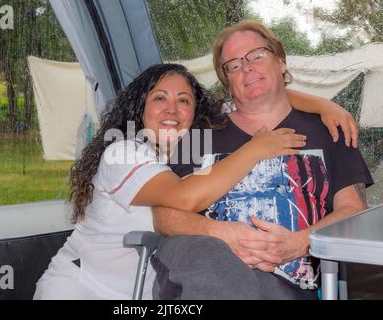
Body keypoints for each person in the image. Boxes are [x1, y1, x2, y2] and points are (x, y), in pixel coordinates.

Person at [33, 62, 358, 300]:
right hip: (82, 287)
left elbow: (260, 98)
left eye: (184, 100)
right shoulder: (124, 152)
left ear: (195, 112)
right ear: (140, 108)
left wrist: (324, 105)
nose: (172, 109)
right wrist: (256, 149)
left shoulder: (194, 150)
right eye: (159, 98)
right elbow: (184, 199)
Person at [151, 20, 373, 300]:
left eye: (257, 55)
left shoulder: (330, 130)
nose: (247, 68)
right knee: (211, 263)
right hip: (206, 267)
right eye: (233, 65)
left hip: (291, 283)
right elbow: (164, 215)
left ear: (281, 62)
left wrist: (299, 243)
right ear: (228, 82)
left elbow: (353, 210)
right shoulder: (200, 133)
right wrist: (224, 234)